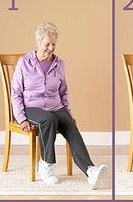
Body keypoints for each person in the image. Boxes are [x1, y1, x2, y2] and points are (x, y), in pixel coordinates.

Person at [11, 22, 108, 189]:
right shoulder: (24, 62)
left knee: (70, 125)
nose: (50, 48)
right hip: (31, 107)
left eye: (53, 44)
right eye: (46, 44)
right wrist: (21, 118)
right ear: (38, 42)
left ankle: (90, 170)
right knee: (48, 120)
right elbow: (16, 93)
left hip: (55, 106)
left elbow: (63, 93)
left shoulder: (59, 64)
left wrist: (68, 114)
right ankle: (46, 166)